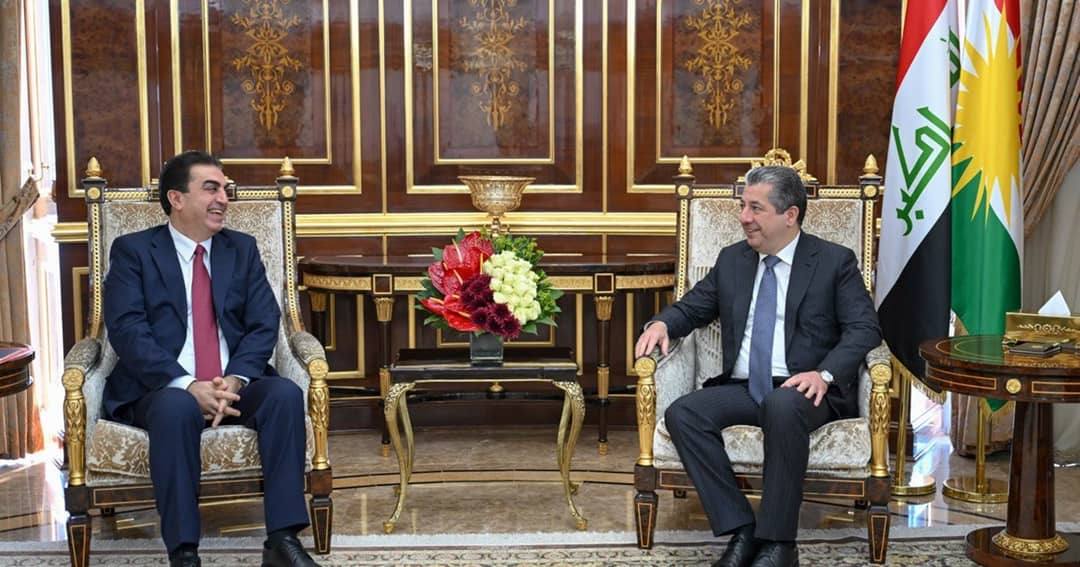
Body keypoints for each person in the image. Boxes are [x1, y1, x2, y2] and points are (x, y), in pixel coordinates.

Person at [634, 165, 881, 567]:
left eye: (755, 208)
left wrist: (824, 373)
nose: (743, 217)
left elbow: (865, 328)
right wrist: (662, 323)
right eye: (743, 206)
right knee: (684, 414)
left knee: (781, 405)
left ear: (790, 215)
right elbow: (692, 307)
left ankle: (780, 545)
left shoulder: (834, 261)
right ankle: (742, 528)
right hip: (746, 386)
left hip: (807, 389)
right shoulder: (733, 260)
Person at [102, 151, 320, 567]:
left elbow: (264, 323)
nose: (223, 198)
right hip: (162, 387)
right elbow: (127, 330)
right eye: (211, 188)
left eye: (225, 189)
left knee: (283, 395)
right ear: (176, 198)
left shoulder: (241, 249)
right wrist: (188, 384)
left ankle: (282, 540)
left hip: (231, 384)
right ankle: (184, 552)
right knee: (176, 408)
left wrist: (235, 380)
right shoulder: (135, 251)